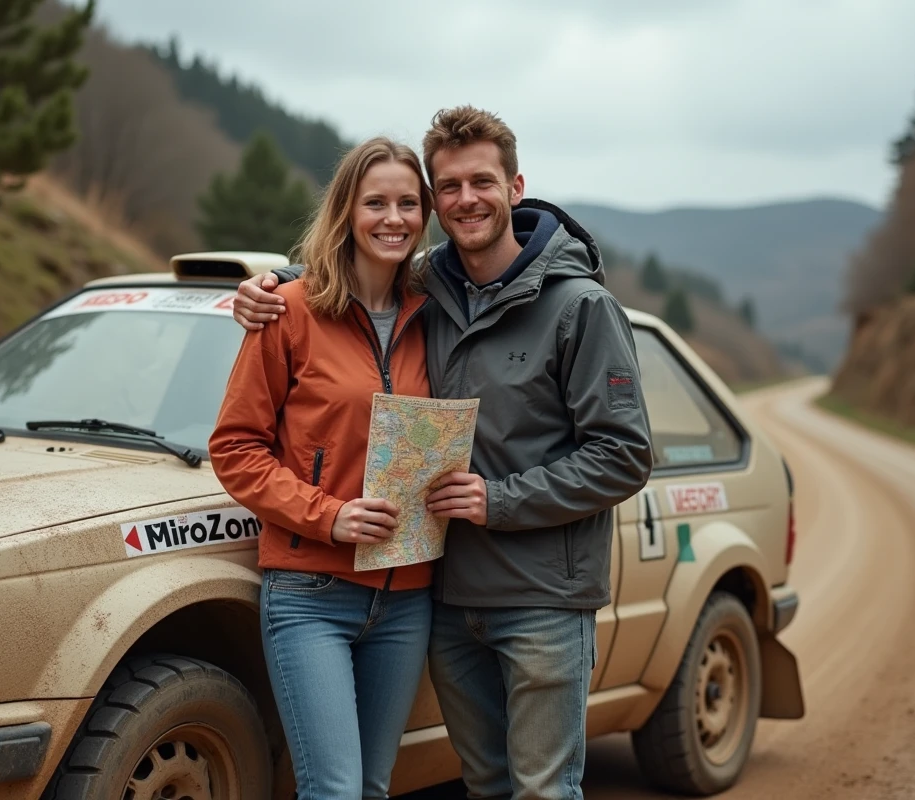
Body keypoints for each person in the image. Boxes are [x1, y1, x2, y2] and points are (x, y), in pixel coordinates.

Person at [232, 107, 654, 800]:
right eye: (449, 186)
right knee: (483, 785)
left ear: (516, 187)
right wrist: (264, 286)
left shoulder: (580, 306)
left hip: (543, 597)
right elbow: (353, 266)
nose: (465, 199)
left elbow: (624, 455)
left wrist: (498, 500)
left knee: (545, 790)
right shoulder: (432, 292)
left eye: (481, 182)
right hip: (447, 598)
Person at [208, 136, 437, 800]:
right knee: (333, 790)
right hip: (311, 597)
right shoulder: (289, 311)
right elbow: (236, 448)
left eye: (407, 203)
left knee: (370, 786)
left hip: (407, 597)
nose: (392, 218)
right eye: (375, 203)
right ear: (346, 211)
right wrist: (329, 516)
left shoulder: (438, 316)